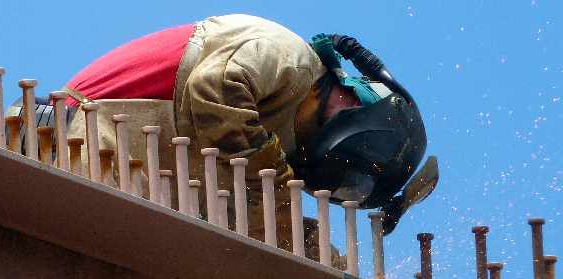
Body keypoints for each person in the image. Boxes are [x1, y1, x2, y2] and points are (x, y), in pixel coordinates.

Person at [61, 14, 437, 265]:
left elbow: (264, 228)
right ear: (355, 105)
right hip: (77, 139)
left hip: (122, 186)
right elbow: (214, 89)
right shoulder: (288, 57)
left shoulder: (265, 151)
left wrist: (329, 273)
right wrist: (271, 176)